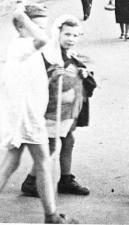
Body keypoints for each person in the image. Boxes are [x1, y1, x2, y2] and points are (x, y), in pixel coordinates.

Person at [0, 5, 77, 224]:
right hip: (26, 116)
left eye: (43, 27)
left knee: (12, 162)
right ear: (21, 27)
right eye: (35, 26)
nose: (41, 31)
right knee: (43, 163)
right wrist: (21, 15)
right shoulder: (22, 45)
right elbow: (44, 40)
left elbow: (32, 78)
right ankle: (51, 216)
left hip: (24, 114)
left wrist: (52, 76)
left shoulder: (27, 47)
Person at [22, 15, 94, 198]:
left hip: (69, 109)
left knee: (68, 140)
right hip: (54, 108)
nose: (71, 39)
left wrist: (83, 73)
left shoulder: (71, 55)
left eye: (75, 35)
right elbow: (38, 79)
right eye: (67, 34)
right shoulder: (49, 54)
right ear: (58, 33)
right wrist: (52, 75)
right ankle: (31, 181)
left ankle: (66, 179)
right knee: (50, 144)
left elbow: (78, 71)